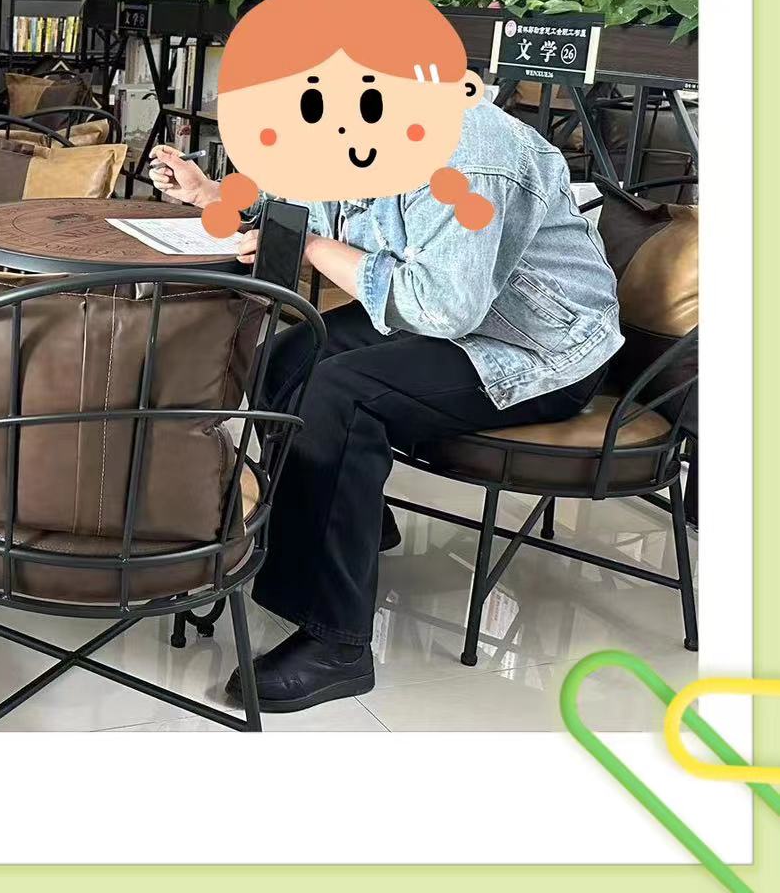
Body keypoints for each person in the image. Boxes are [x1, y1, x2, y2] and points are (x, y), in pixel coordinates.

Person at [150, 54, 622, 712]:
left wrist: (312, 249)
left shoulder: (469, 151)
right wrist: (211, 195)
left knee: (339, 395)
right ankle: (354, 522)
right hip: (453, 320)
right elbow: (308, 201)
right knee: (284, 359)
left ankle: (336, 643)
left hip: (540, 346)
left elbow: (444, 307)